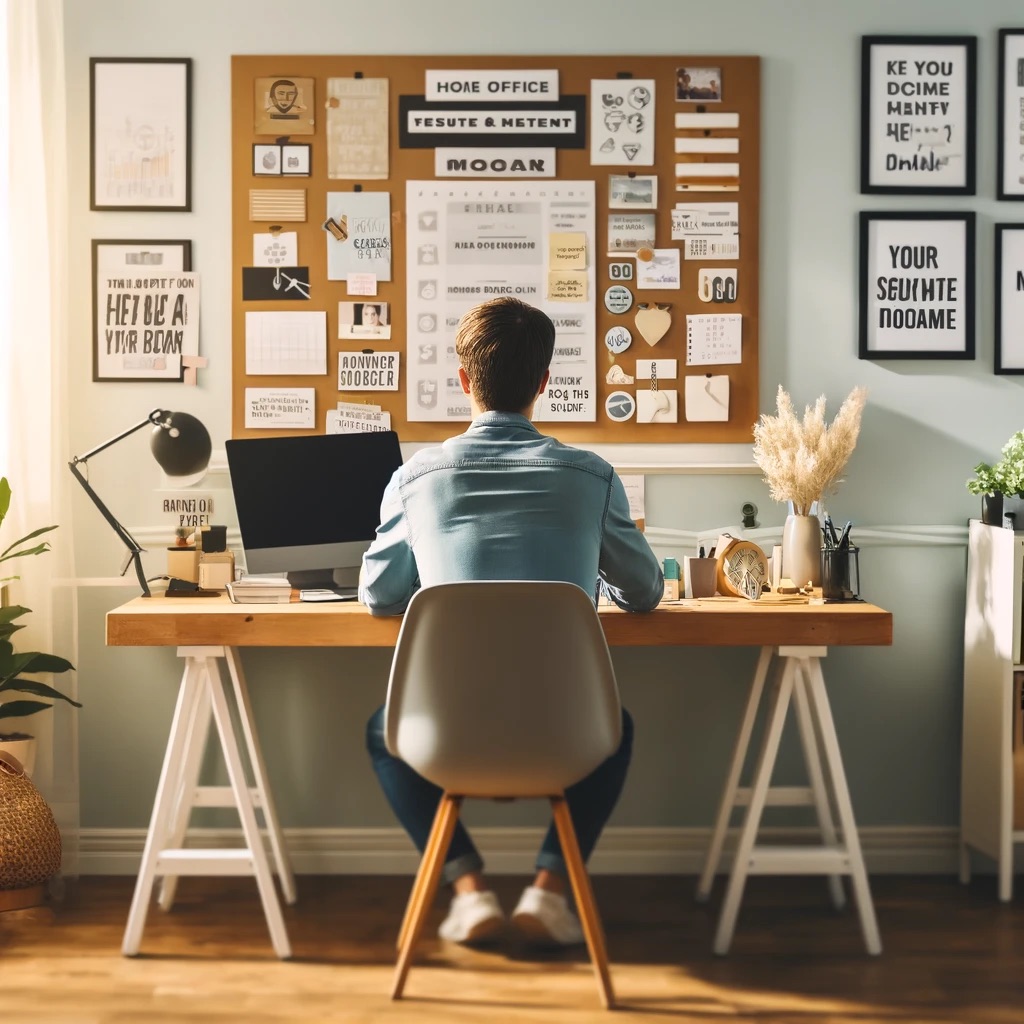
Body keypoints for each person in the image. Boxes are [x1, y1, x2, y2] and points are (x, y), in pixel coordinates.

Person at [360, 297, 663, 948]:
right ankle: (549, 891)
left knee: (382, 732)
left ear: (464, 381)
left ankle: (468, 893)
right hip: (567, 732)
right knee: (620, 729)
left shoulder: (415, 479)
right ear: (545, 383)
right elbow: (644, 592)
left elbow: (379, 596)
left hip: (447, 733)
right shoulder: (593, 476)